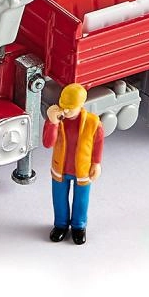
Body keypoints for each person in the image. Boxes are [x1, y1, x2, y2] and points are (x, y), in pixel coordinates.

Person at [43, 84, 104, 245]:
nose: (66, 111)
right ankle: (60, 225)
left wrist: (96, 163)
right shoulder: (57, 119)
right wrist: (52, 123)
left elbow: (98, 144)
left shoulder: (92, 122)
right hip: (60, 168)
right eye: (63, 106)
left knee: (81, 200)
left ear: (81, 105)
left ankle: (79, 226)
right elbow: (48, 143)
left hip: (83, 169)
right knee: (59, 199)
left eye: (70, 108)